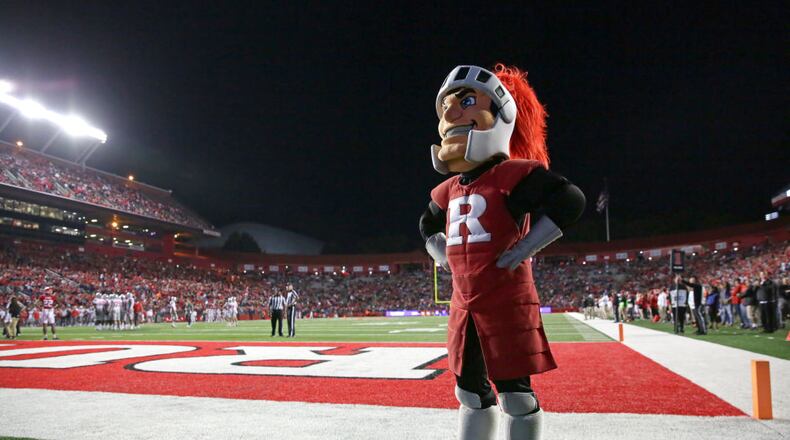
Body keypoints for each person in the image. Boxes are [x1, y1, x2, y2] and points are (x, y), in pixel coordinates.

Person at [419, 64, 585, 440]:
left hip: (506, 300)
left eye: (465, 102)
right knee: (469, 393)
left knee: (516, 399)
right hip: (464, 305)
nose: (450, 113)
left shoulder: (514, 175)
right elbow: (426, 224)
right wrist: (440, 252)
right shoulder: (448, 190)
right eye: (446, 105)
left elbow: (569, 200)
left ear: (502, 115)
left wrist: (524, 248)